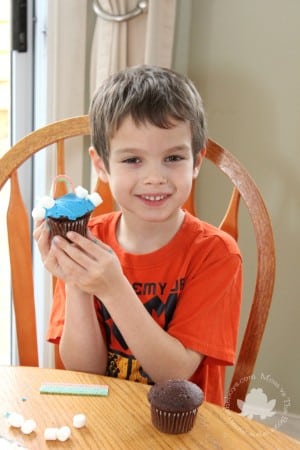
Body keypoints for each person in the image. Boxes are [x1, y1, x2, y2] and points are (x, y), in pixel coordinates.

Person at [34, 65, 242, 406]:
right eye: (133, 160)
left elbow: (176, 376)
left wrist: (113, 288)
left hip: (186, 430)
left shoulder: (216, 254)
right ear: (101, 166)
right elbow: (84, 369)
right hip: (106, 419)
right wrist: (77, 281)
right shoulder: (87, 241)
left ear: (196, 161)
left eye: (173, 157)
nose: (155, 177)